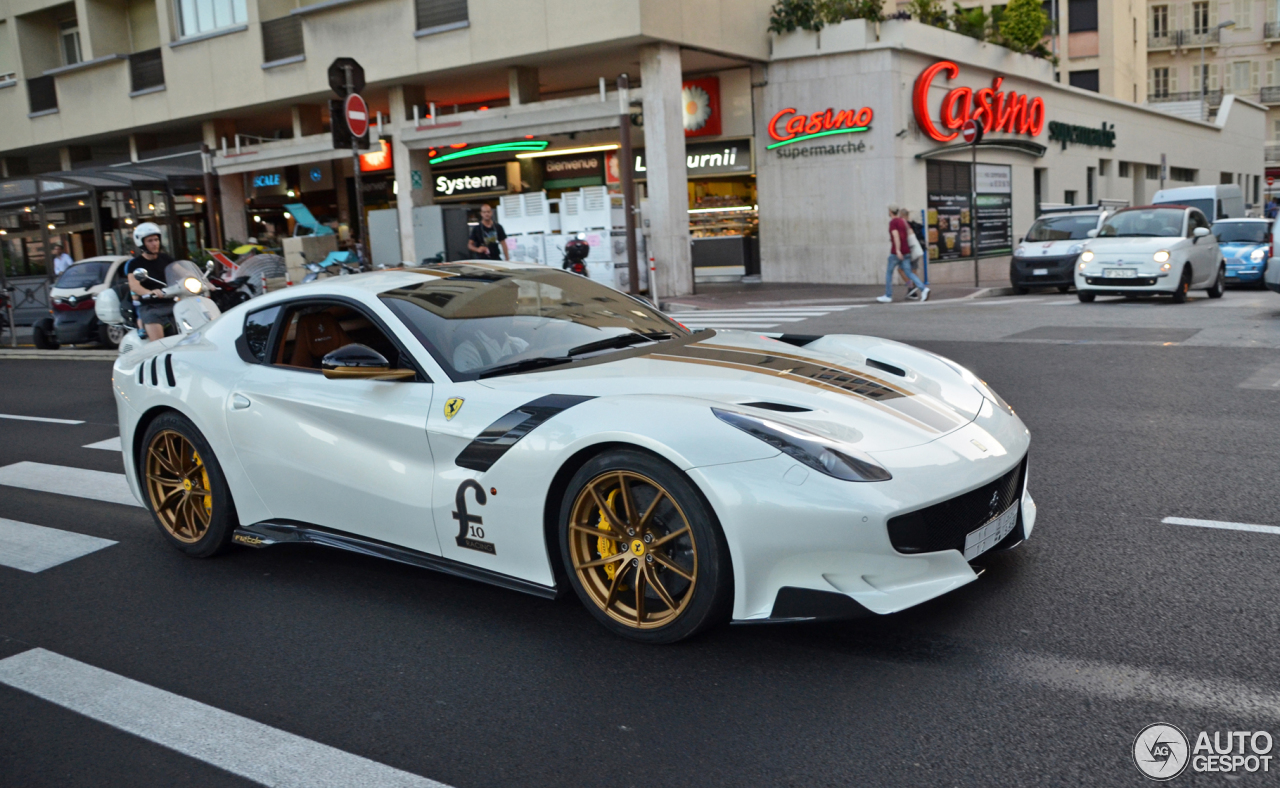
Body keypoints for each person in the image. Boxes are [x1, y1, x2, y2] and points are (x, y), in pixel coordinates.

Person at [125, 223, 176, 341]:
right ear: (142, 243)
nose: (155, 243)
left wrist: (201, 281)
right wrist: (151, 292)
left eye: (156, 240)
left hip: (171, 302)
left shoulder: (166, 259)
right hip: (151, 306)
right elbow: (134, 286)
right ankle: (157, 354)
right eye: (150, 241)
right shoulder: (135, 264)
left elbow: (180, 271)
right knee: (159, 344)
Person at [878, 205, 928, 303]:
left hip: (897, 252)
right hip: (907, 251)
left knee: (889, 272)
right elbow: (910, 234)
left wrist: (897, 250)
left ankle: (888, 295)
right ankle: (923, 289)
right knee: (908, 272)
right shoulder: (904, 222)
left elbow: (896, 236)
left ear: (891, 211)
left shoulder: (893, 222)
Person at [900, 208, 926, 300]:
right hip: (916, 250)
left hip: (908, 251)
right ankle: (912, 291)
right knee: (913, 271)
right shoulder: (914, 225)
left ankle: (911, 287)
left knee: (900, 270)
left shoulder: (904, 225)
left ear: (903, 216)